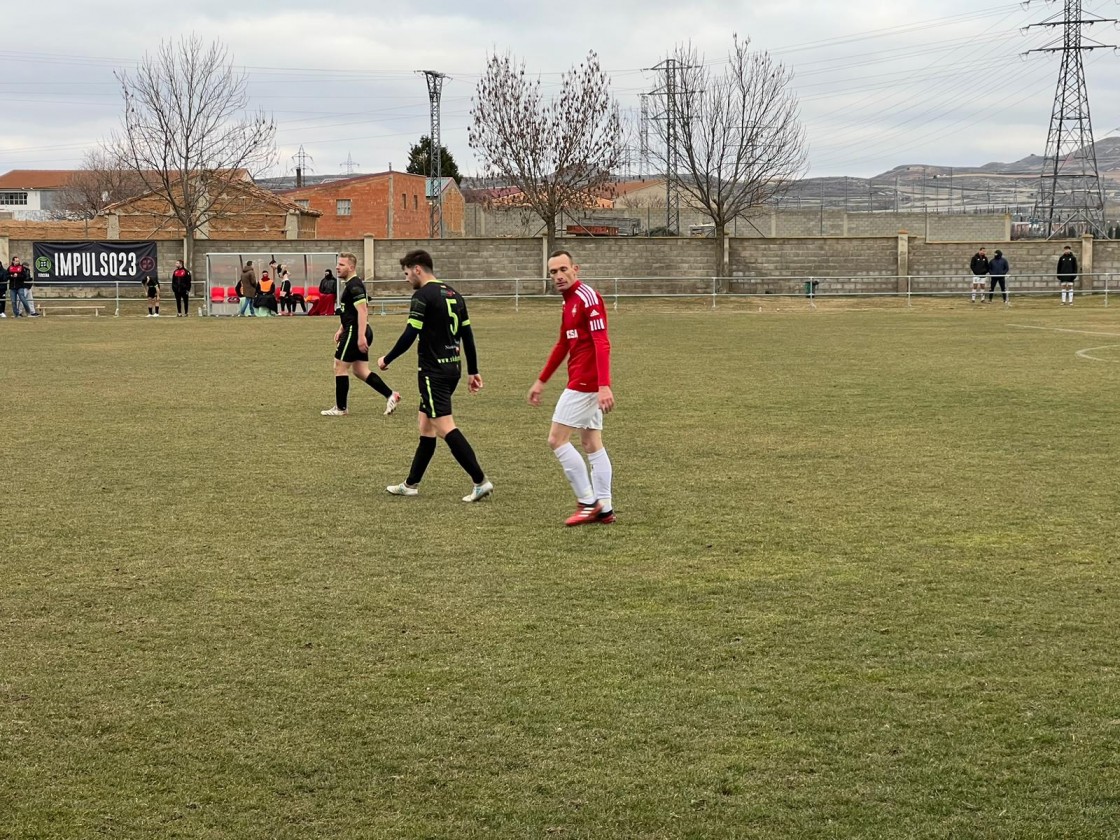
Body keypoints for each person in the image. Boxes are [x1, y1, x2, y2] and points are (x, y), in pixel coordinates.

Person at [378, 249, 492, 503]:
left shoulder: (422, 295)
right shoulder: (454, 294)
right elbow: (468, 337)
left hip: (433, 372)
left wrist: (387, 358)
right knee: (426, 426)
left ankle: (480, 481)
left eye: (407, 273)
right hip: (453, 367)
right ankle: (411, 484)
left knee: (443, 426)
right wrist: (473, 370)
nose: (407, 278)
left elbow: (410, 333)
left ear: (417, 269)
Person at [527, 249, 616, 526]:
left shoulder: (588, 298)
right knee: (591, 442)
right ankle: (605, 507)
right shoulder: (568, 303)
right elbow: (563, 344)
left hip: (587, 382)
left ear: (575, 269)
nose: (558, 276)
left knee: (556, 439)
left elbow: (602, 342)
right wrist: (542, 380)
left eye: (563, 269)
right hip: (581, 378)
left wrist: (604, 386)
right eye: (553, 272)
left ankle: (587, 502)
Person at [320, 252, 401, 417]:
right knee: (360, 370)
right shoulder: (350, 284)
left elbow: (363, 311)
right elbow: (350, 311)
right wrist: (341, 328)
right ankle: (390, 395)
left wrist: (361, 336)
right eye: (338, 264)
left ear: (351, 267)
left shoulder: (354, 285)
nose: (337, 267)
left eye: (341, 264)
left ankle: (341, 408)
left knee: (339, 366)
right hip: (353, 329)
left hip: (356, 331)